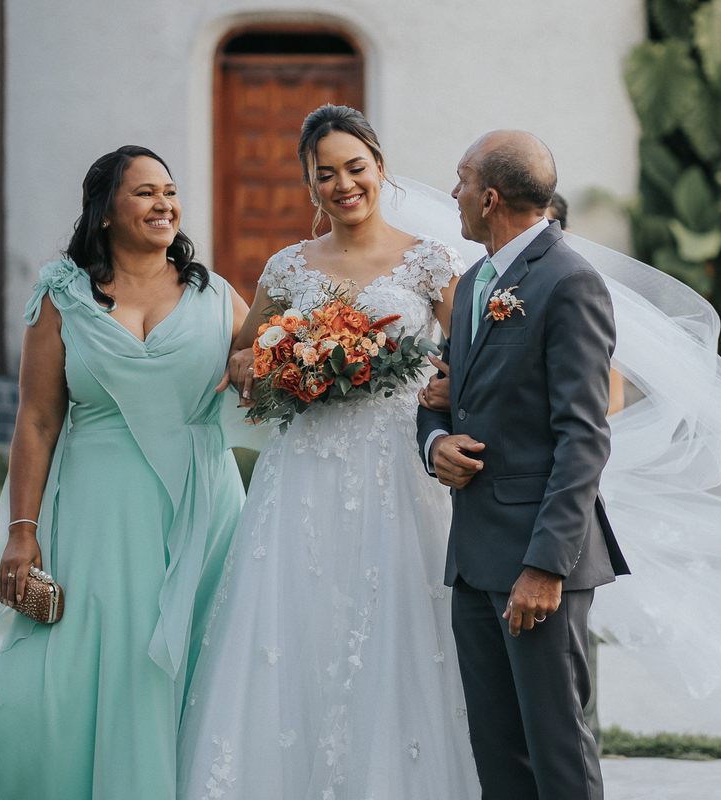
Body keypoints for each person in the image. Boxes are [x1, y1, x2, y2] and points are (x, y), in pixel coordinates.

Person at [177, 105, 482, 800]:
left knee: (401, 631)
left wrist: (444, 398)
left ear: (379, 168)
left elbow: (472, 363)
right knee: (299, 630)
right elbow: (244, 347)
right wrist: (265, 366)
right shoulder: (289, 266)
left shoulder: (430, 262)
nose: (344, 184)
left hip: (400, 472)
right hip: (305, 473)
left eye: (355, 167)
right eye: (326, 174)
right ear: (309, 186)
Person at [0, 146, 248, 799]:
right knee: (73, 676)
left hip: (200, 509)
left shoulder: (217, 296)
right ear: (106, 209)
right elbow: (36, 421)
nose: (164, 204)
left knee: (190, 667)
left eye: (170, 191)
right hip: (95, 510)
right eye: (145, 192)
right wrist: (21, 531)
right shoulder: (62, 296)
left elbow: (265, 382)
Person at [417, 130, 629, 800]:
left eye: (460, 181)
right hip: (476, 552)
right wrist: (434, 442)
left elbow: (583, 437)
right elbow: (443, 391)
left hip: (540, 564)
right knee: (498, 753)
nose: (451, 195)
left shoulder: (570, 283)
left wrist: (546, 567)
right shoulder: (479, 279)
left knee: (558, 749)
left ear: (489, 196)